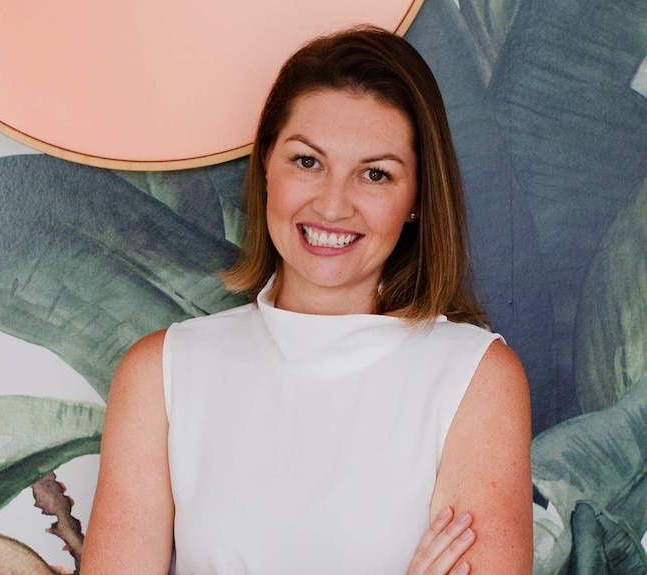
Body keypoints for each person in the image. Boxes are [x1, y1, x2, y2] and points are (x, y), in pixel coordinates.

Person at [81, 26, 532, 574]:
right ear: (267, 164)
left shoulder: (475, 377)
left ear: (416, 199)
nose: (333, 205)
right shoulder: (161, 373)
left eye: (375, 174)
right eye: (307, 162)